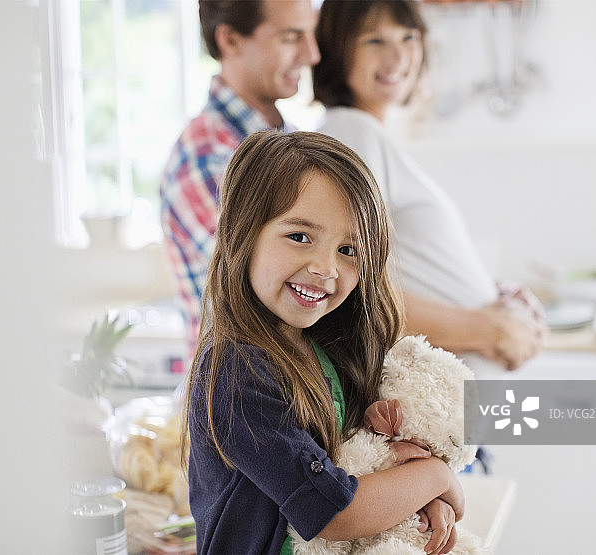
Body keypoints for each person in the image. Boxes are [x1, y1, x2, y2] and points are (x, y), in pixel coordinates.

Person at [185, 130, 465, 555]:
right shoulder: (237, 372)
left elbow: (359, 464)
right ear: (244, 234)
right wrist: (436, 478)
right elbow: (333, 512)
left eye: (349, 249)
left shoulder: (324, 348)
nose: (325, 267)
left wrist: (421, 501)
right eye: (299, 236)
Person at [313, 0, 547, 378]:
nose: (397, 56)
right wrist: (494, 329)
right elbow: (353, 294)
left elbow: (406, 268)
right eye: (374, 41)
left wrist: (495, 296)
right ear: (337, 50)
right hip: (436, 412)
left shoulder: (367, 134)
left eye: (408, 37)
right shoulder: (350, 132)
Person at [160, 0, 320, 361]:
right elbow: (266, 300)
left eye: (311, 34)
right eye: (291, 37)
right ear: (231, 40)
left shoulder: (290, 140)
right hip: (240, 402)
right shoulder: (207, 161)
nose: (313, 54)